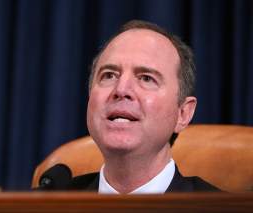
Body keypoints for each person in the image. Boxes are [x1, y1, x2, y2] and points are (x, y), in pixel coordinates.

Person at [68, 20, 219, 193]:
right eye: (109, 75)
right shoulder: (43, 205)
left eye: (146, 78)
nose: (121, 90)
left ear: (183, 113)